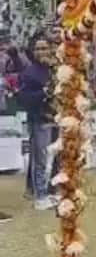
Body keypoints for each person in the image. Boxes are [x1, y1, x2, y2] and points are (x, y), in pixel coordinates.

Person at [16, 39, 56, 210]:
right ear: (33, 52)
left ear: (50, 49)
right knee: (40, 159)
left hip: (57, 119)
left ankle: (50, 190)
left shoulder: (56, 69)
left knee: (56, 158)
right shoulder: (29, 73)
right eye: (38, 49)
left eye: (44, 48)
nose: (41, 52)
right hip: (39, 120)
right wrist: (43, 92)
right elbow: (23, 99)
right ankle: (39, 196)